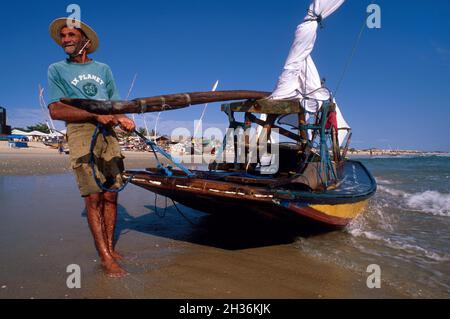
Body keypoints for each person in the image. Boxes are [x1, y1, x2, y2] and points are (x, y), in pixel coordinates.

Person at [47, 17, 135, 278]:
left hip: (108, 131)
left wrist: (124, 118)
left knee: (111, 194)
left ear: (84, 40)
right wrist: (94, 116)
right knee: (94, 196)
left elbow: (115, 104)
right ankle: (106, 258)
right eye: (63, 36)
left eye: (71, 35)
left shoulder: (103, 69)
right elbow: (56, 110)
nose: (65, 40)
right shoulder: (56, 70)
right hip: (81, 131)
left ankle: (110, 247)